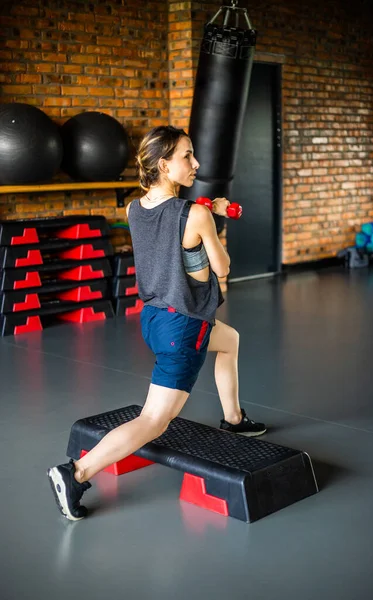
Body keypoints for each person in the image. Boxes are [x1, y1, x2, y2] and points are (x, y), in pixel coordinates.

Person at [47, 125, 267, 522]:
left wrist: (201, 221)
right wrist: (212, 220)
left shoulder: (134, 208)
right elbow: (223, 266)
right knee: (154, 420)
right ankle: (76, 473)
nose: (196, 163)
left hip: (153, 319)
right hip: (183, 327)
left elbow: (169, 249)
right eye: (187, 156)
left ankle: (234, 420)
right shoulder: (195, 213)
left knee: (229, 340)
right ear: (165, 164)